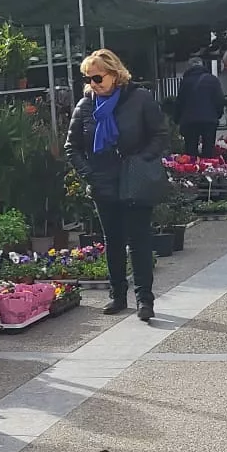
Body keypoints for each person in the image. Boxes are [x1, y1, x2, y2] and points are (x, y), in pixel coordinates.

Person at [64, 49, 166, 322]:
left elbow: (159, 135)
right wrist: (89, 174)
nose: (92, 84)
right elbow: (72, 147)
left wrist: (141, 160)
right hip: (103, 181)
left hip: (135, 179)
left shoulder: (139, 99)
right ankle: (117, 295)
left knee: (140, 240)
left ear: (114, 74)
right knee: (113, 241)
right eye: (87, 79)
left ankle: (145, 299)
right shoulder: (85, 106)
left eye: (97, 77)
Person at [175, 56, 223, 156]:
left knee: (191, 151)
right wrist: (217, 114)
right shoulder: (212, 80)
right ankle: (208, 170)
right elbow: (219, 100)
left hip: (190, 121)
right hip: (209, 120)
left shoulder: (185, 81)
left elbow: (180, 102)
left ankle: (192, 170)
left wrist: (177, 119)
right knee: (208, 151)